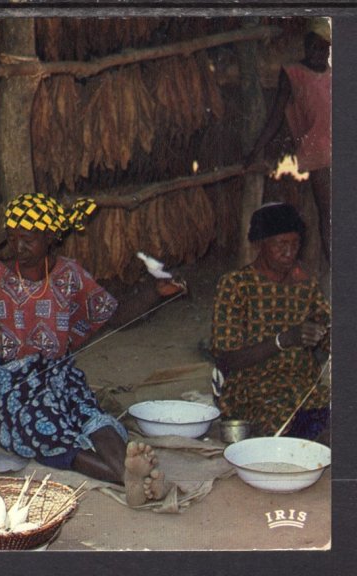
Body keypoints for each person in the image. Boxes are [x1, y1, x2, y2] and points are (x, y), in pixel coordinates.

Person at [0, 192, 187, 506]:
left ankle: (133, 475)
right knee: (44, 428)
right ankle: (130, 478)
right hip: (7, 389)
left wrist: (155, 292)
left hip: (60, 377)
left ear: (50, 237)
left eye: (28, 240)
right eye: (13, 239)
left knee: (91, 415)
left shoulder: (69, 275)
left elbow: (115, 315)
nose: (18, 248)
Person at [210, 202, 330, 441]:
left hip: (304, 386)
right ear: (259, 244)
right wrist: (283, 340)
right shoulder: (236, 285)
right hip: (253, 388)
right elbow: (226, 358)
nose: (290, 252)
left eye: (295, 243)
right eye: (280, 244)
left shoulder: (305, 284)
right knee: (289, 428)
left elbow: (327, 331)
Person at [245, 18, 331, 261]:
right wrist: (257, 149)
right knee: (329, 214)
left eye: (324, 48)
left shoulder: (333, 75)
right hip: (319, 154)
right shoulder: (293, 73)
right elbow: (275, 117)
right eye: (315, 46)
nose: (319, 53)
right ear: (306, 45)